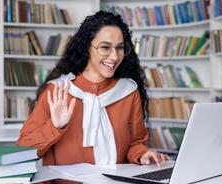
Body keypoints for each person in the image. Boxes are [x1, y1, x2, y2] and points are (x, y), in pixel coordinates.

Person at [17, 11, 169, 167]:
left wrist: (142, 155)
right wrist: (55, 127)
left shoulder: (129, 92)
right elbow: (23, 148)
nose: (114, 57)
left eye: (119, 48)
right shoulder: (57, 90)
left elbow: (136, 143)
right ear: (87, 47)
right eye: (105, 47)